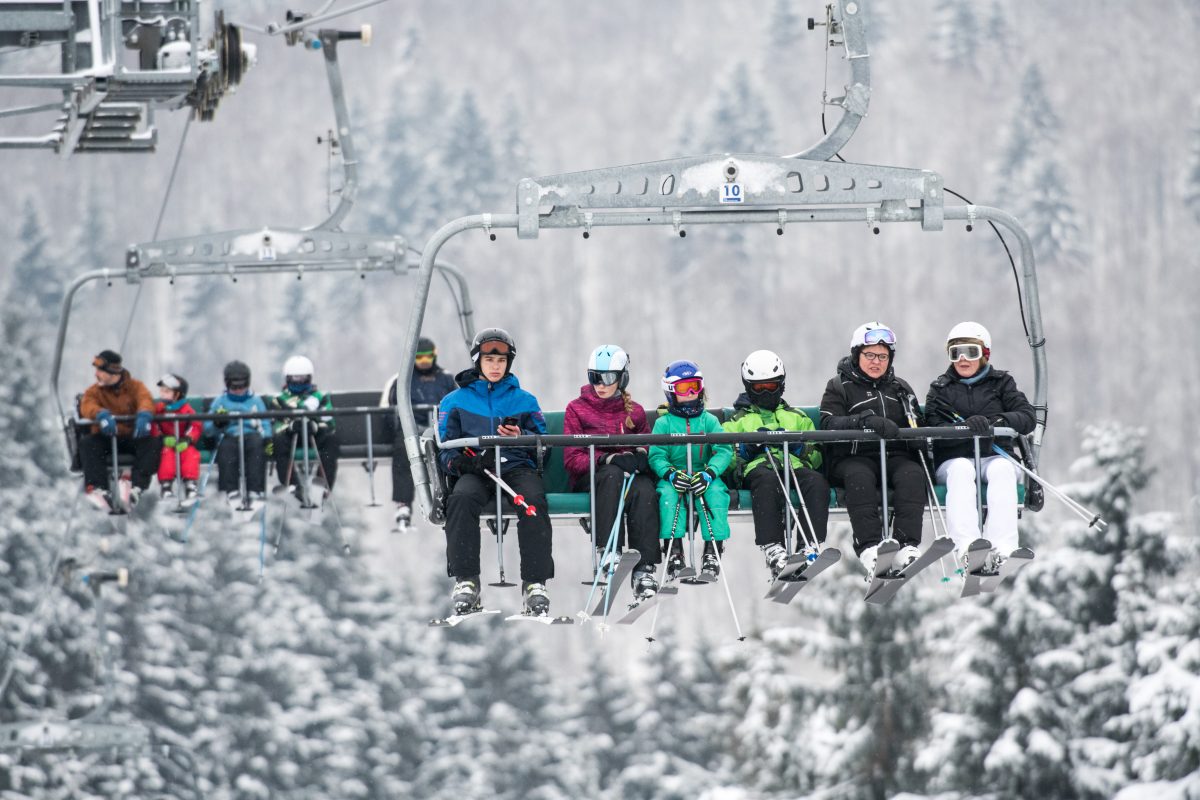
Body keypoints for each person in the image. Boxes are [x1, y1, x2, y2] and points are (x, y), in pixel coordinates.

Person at [437, 328, 554, 616]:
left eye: (501, 362)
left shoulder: (524, 400)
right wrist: (465, 464)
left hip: (515, 465)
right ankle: (467, 580)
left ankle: (534, 583)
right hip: (477, 469)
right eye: (489, 361)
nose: (495, 367)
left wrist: (521, 436)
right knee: (461, 499)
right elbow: (445, 449)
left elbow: (544, 446)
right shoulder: (455, 402)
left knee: (533, 503)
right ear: (478, 362)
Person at [924, 321, 1037, 572]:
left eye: (971, 352)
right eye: (956, 353)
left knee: (1002, 471)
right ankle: (967, 546)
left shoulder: (1001, 383)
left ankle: (1002, 547)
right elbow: (933, 424)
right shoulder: (941, 388)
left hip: (994, 454)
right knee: (963, 471)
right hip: (954, 459)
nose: (963, 359)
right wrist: (963, 430)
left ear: (984, 354)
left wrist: (995, 423)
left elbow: (1027, 417)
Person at [819, 323, 927, 577]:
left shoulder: (900, 388)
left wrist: (918, 435)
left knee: (912, 474)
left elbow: (917, 421)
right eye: (870, 355)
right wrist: (863, 420)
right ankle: (869, 547)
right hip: (853, 457)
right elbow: (827, 422)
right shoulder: (839, 386)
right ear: (857, 355)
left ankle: (906, 544)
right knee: (860, 477)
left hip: (893, 456)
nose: (876, 362)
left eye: (883, 356)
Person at [563, 345, 659, 600]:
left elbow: (646, 442)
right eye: (595, 377)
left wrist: (640, 455)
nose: (600, 384)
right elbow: (572, 457)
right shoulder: (576, 409)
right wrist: (608, 458)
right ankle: (609, 549)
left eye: (607, 378)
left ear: (622, 378)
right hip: (592, 477)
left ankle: (644, 568)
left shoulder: (633, 411)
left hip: (628, 477)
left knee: (645, 489)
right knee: (611, 476)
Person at [723, 350, 829, 580]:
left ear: (781, 385)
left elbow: (819, 452)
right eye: (758, 388)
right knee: (767, 481)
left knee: (816, 482)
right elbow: (726, 457)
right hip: (757, 468)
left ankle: (809, 543)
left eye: (770, 386)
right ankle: (774, 547)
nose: (765, 392)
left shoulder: (797, 417)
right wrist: (746, 450)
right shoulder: (737, 420)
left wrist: (801, 448)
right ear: (748, 387)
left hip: (794, 464)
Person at [648, 360, 734, 579]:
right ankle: (673, 549)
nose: (691, 393)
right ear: (670, 392)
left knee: (715, 493)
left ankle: (712, 550)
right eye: (684, 388)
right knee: (668, 496)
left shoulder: (710, 421)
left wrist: (710, 473)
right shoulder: (664, 423)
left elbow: (724, 449)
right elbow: (656, 455)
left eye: (695, 386)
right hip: (674, 475)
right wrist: (669, 473)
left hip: (703, 474)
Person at [380, 336, 456, 530]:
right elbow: (388, 409)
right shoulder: (402, 379)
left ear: (434, 356)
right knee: (403, 452)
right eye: (419, 357)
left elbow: (457, 404)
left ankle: (448, 498)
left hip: (439, 429)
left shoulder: (446, 379)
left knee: (446, 454)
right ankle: (403, 504)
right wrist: (399, 425)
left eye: (427, 357)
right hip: (412, 429)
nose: (423, 362)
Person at [78, 350, 157, 508]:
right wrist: (100, 414)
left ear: (112, 372)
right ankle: (97, 487)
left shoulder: (135, 387)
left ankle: (138, 486)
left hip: (130, 435)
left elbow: (145, 399)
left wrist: (144, 414)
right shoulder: (95, 391)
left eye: (100, 371)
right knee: (88, 443)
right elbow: (87, 405)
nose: (96, 375)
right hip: (106, 437)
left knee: (152, 443)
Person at [270, 355, 340, 495]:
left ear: (309, 378)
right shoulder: (280, 400)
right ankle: (291, 485)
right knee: (278, 441)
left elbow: (329, 421)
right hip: (291, 437)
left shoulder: (319, 397)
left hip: (313, 435)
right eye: (294, 378)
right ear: (288, 378)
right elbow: (276, 424)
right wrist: (289, 427)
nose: (298, 382)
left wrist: (316, 425)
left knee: (331, 441)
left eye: (302, 378)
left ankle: (323, 486)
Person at [205, 360, 272, 502]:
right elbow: (208, 428)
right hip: (230, 435)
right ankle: (231, 490)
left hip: (251, 435)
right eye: (234, 387)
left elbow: (265, 422)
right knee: (226, 448)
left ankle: (255, 490)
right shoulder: (220, 402)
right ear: (227, 384)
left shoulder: (255, 401)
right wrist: (217, 423)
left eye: (242, 386)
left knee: (256, 447)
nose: (238, 390)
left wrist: (267, 437)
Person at [152, 373, 201, 502]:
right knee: (166, 454)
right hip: (167, 442)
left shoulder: (186, 410)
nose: (162, 394)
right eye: (161, 391)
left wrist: (188, 439)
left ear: (177, 394)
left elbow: (196, 425)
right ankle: (166, 485)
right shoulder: (159, 410)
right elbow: (153, 425)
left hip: (182, 441)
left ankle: (190, 484)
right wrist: (161, 438)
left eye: (166, 391)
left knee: (190, 454)